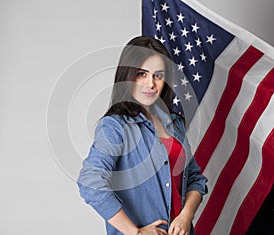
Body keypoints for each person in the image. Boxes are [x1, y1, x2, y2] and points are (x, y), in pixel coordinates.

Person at [77, 36, 208, 235]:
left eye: (158, 75)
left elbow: (195, 179)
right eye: (141, 74)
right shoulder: (115, 126)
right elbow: (90, 182)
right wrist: (135, 232)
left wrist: (186, 215)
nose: (151, 84)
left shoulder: (176, 124)